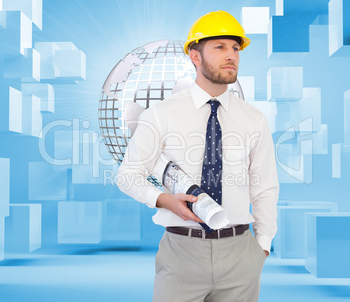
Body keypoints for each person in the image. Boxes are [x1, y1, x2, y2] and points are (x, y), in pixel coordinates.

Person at [117, 10, 279, 302]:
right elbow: (128, 176)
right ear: (195, 56)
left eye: (235, 48)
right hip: (181, 253)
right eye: (220, 47)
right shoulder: (161, 115)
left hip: (240, 254)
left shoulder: (254, 120)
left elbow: (265, 187)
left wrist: (262, 246)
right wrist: (164, 200)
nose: (231, 55)